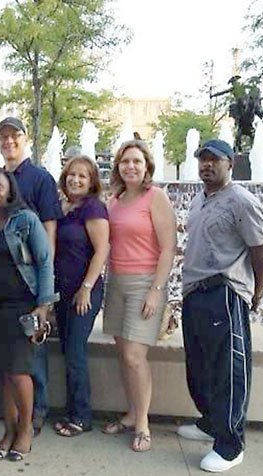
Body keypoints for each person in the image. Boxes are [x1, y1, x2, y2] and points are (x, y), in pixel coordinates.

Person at [178, 139, 263, 472]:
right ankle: (210, 422)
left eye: (214, 160)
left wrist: (254, 294)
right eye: (202, 160)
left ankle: (231, 445)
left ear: (230, 163)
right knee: (199, 365)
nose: (207, 165)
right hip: (195, 292)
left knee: (228, 370)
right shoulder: (199, 200)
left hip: (225, 292)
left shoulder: (242, 201)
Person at [0, 117, 62, 434]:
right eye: (3, 136)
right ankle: (10, 422)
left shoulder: (36, 188)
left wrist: (44, 301)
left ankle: (32, 419)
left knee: (25, 367)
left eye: (15, 135)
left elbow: (44, 253)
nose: (8, 141)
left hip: (24, 302)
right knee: (1, 368)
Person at [101, 140, 177, 453]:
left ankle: (143, 423)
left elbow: (169, 247)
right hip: (116, 282)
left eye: (137, 161)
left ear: (146, 166)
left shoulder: (155, 197)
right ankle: (131, 414)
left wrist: (156, 291)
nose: (131, 166)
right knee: (124, 356)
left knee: (135, 356)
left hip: (145, 284)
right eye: (125, 161)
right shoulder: (114, 200)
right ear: (118, 167)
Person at [52, 155, 110, 437]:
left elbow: (102, 250)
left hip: (83, 292)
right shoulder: (62, 208)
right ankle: (71, 409)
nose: (76, 180)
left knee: (75, 352)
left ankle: (82, 416)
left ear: (92, 182)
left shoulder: (93, 208)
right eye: (72, 174)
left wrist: (86, 287)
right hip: (61, 291)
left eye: (83, 176)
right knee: (67, 350)